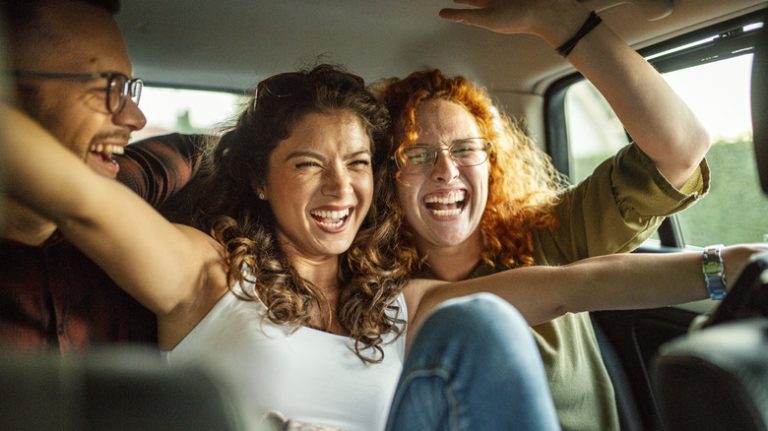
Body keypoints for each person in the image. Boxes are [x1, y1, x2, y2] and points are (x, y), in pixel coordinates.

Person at [3, 62, 763, 430]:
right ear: (262, 180)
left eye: (360, 164)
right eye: (308, 164)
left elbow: (576, 282)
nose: (341, 189)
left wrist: (736, 266)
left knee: (485, 322)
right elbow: (81, 201)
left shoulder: (402, 302)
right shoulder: (204, 273)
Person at [374, 0, 711, 429]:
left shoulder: (550, 235)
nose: (446, 171)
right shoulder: (378, 287)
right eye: (417, 154)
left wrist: (567, 23)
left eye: (465, 150)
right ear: (387, 176)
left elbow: (680, 149)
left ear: (492, 164)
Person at [0, 0, 203, 350]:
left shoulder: (123, 188)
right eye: (109, 87)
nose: (135, 118)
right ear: (10, 95)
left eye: (127, 89)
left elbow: (198, 150)